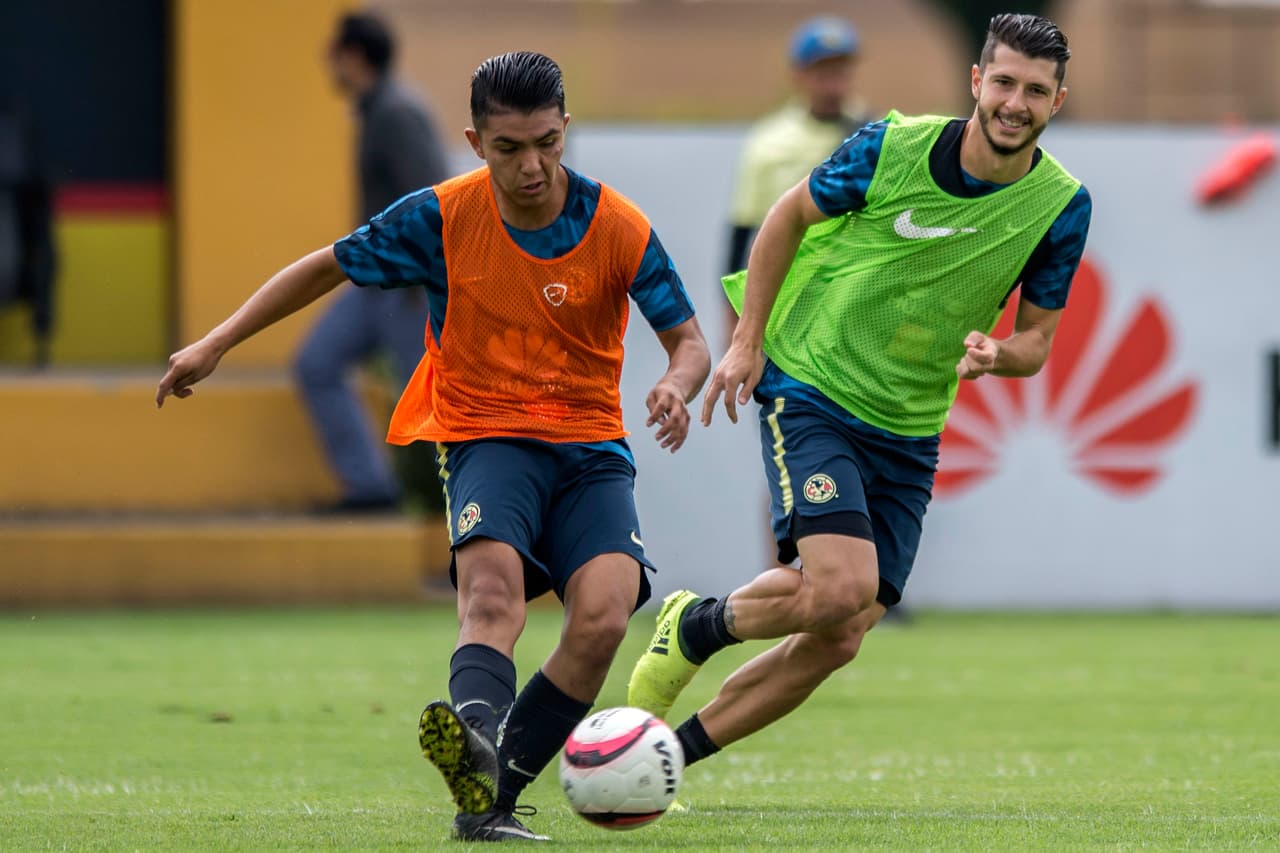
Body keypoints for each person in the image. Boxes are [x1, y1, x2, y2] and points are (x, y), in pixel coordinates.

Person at [156, 50, 710, 842]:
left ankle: (491, 788)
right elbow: (325, 269)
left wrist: (675, 385)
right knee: (491, 597)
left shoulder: (616, 225)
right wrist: (215, 342)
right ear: (474, 140)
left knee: (602, 617)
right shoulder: (440, 216)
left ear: (565, 130)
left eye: (547, 143)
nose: (531, 165)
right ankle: (476, 738)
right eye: (508, 148)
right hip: (483, 431)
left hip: (589, 446)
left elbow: (687, 339)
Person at [628, 13, 1091, 786]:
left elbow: (1036, 343)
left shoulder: (1061, 205)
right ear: (977, 82)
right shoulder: (893, 146)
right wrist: (746, 342)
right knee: (840, 586)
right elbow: (785, 217)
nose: (1016, 102)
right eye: (1004, 82)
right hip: (814, 383)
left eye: (1035, 91)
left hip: (909, 425)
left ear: (1057, 102)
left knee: (841, 633)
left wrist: (997, 352)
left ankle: (662, 758)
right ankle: (696, 627)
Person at [294, 12, 451, 513]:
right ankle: (372, 490)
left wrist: (424, 285)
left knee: (442, 411)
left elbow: (433, 203)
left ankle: (497, 516)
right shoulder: (377, 109)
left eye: (335, 51)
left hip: (409, 289)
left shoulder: (396, 113)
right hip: (374, 286)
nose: (328, 62)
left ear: (354, 56)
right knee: (316, 363)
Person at [723, 16, 872, 339]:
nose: (833, 83)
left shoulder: (873, 134)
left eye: (841, 71)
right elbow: (742, 235)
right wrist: (733, 325)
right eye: (823, 72)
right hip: (786, 296)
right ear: (800, 74)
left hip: (851, 300)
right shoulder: (769, 142)